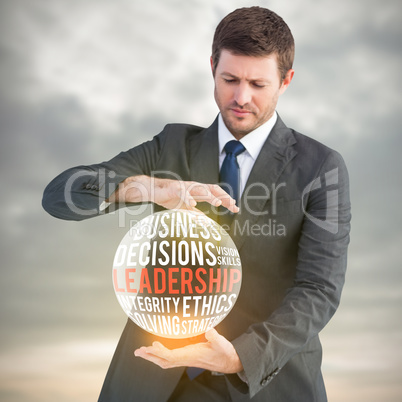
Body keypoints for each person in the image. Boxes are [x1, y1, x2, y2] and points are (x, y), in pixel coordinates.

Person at [42, 6, 351, 402]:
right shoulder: (172, 147)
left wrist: (241, 355)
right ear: (211, 67)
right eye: (229, 79)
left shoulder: (321, 166)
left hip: (266, 380)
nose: (241, 97)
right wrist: (150, 188)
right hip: (153, 378)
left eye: (258, 83)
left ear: (286, 80)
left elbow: (319, 288)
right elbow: (60, 194)